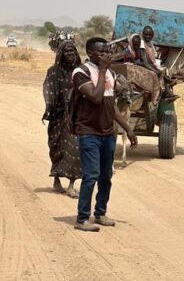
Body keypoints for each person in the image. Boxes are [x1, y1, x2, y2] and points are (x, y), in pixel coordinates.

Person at [71, 37, 138, 232]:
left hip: (108, 133)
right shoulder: (81, 73)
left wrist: (128, 128)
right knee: (91, 175)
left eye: (108, 52)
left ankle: (100, 213)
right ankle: (82, 218)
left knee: (106, 176)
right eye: (102, 53)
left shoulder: (109, 73)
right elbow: (95, 96)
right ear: (90, 53)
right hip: (89, 132)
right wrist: (101, 70)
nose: (106, 56)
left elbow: (111, 104)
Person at [42, 40, 82, 198]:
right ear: (61, 55)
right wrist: (49, 109)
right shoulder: (53, 71)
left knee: (75, 149)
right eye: (67, 52)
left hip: (76, 116)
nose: (71, 55)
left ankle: (72, 185)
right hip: (58, 116)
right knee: (57, 147)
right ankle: (57, 179)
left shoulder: (80, 71)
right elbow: (49, 92)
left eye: (73, 51)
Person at [141, 26, 178, 100]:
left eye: (150, 35)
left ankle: (166, 90)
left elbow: (154, 56)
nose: (148, 36)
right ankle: (163, 90)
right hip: (145, 65)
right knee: (160, 72)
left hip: (151, 64)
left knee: (165, 70)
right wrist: (155, 70)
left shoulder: (150, 43)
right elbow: (144, 61)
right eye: (146, 34)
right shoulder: (142, 44)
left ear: (152, 35)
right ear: (142, 34)